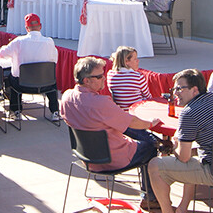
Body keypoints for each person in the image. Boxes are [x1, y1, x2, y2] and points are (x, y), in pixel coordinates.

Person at [62, 57, 161, 209]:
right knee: (151, 145)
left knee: (130, 128)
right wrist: (150, 123)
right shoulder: (100, 103)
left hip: (86, 156)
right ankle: (150, 198)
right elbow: (132, 122)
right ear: (86, 80)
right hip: (113, 159)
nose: (104, 79)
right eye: (99, 76)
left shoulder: (66, 97)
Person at [147, 68, 213, 213]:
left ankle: (167, 211)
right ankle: (182, 208)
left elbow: (183, 157)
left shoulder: (189, 112)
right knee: (192, 157)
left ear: (195, 90)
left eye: (179, 88)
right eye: (174, 89)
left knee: (155, 165)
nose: (175, 93)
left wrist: (174, 146)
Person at [0, 13, 59, 120]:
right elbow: (54, 61)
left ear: (27, 28)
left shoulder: (18, 41)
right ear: (40, 26)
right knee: (52, 81)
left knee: (11, 78)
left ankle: (16, 110)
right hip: (46, 84)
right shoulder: (49, 42)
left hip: (22, 84)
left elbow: (2, 54)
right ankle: (55, 111)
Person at [107, 46, 151, 110]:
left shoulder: (110, 75)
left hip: (120, 112)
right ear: (126, 61)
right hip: (137, 111)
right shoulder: (138, 77)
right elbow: (148, 97)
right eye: (135, 59)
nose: (138, 61)